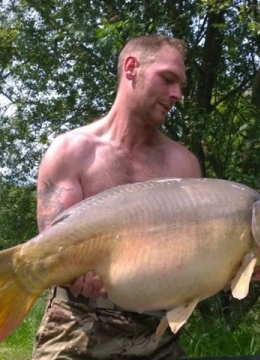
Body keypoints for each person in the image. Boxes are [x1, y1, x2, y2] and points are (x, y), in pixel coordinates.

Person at [32, 34, 202, 360]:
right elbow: (53, 249)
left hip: (156, 331)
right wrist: (74, 273)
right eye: (167, 79)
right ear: (131, 68)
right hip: (75, 322)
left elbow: (191, 258)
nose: (177, 94)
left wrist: (231, 267)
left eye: (180, 85)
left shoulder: (184, 166)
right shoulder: (70, 151)